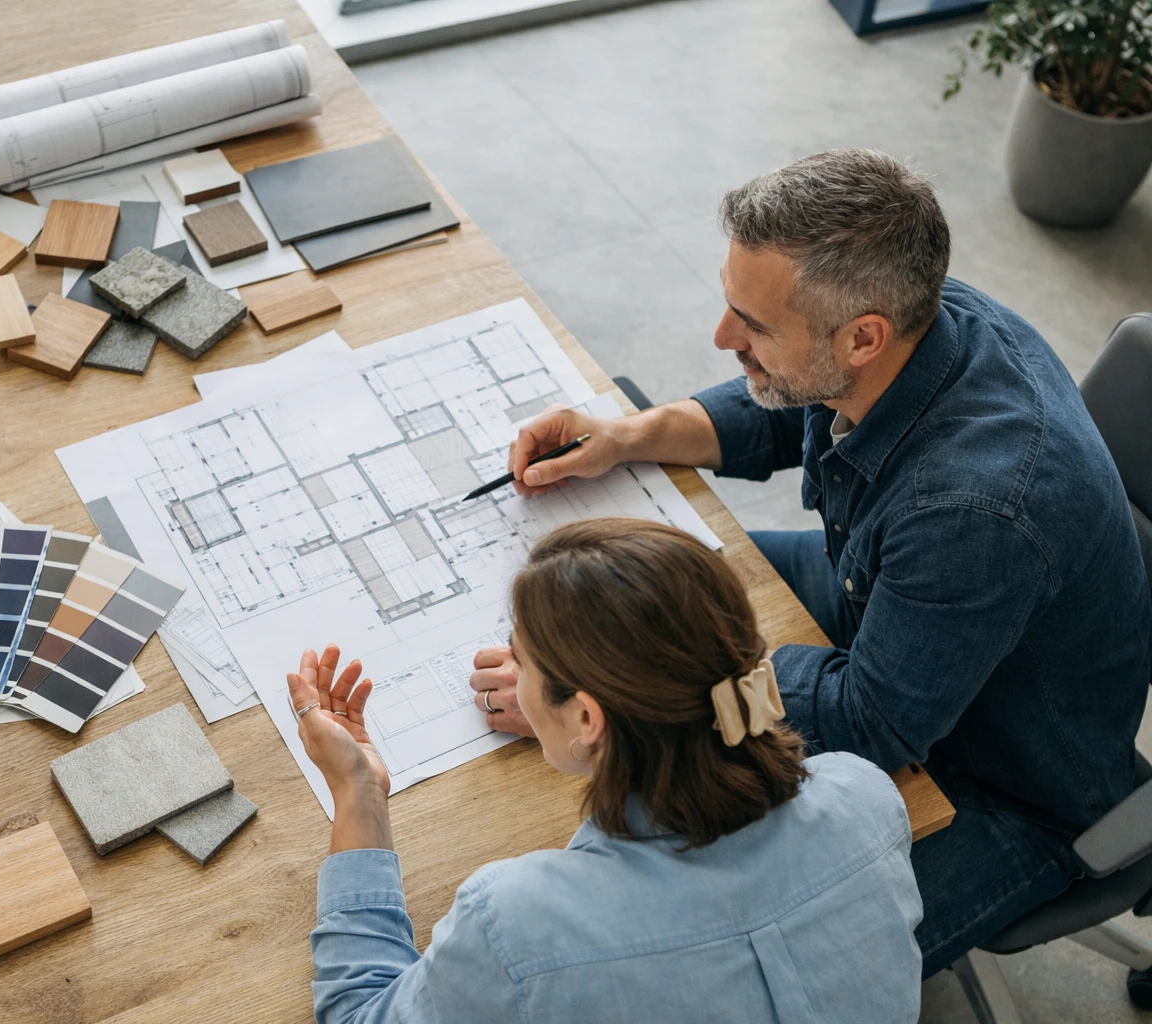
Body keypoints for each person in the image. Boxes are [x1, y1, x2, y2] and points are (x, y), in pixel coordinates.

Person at [468, 149, 1152, 977]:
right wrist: (631, 433)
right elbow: (791, 398)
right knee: (666, 590)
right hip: (881, 598)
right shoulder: (918, 317)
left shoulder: (975, 511)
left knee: (723, 973)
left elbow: (871, 723)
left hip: (1002, 782)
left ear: (864, 335)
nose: (723, 339)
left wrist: (637, 698)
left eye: (750, 326)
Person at [293, 519, 923, 1024]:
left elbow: (360, 1014)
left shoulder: (515, 924)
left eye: (523, 661)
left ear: (588, 717)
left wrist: (358, 794)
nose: (517, 675)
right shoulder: (863, 796)